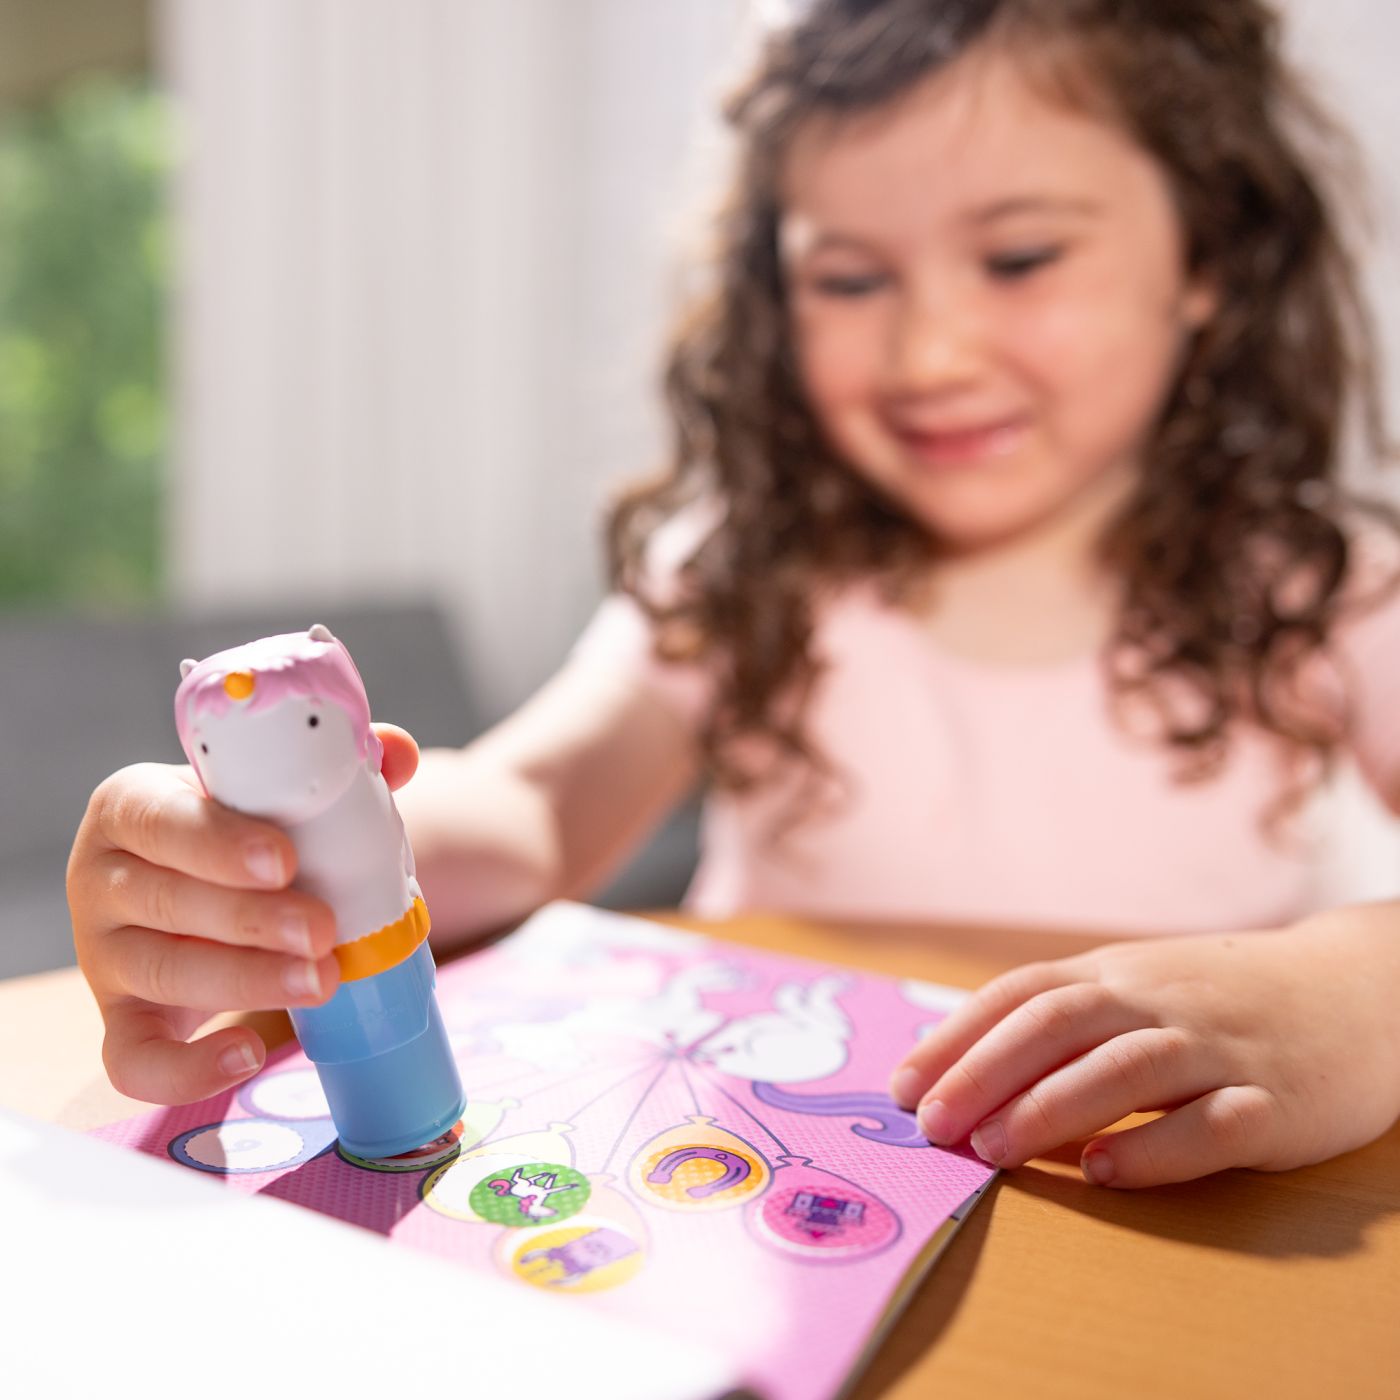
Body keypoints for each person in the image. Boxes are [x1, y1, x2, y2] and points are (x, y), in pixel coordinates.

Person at [68, 0, 1400, 1189]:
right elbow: (535, 811)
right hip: (760, 1200)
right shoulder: (743, 564)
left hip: (1146, 1230)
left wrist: (1352, 989)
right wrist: (275, 862)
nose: (930, 350)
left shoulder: (1333, 588)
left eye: (1020, 257)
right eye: (849, 277)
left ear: (1211, 254)